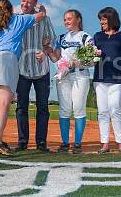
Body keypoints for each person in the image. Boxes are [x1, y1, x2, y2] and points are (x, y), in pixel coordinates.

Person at [0, 0, 47, 155]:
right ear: (10, 9)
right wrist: (41, 8)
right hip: (6, 60)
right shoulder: (18, 19)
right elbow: (41, 15)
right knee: (3, 105)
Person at [44, 10, 93, 154]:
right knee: (64, 109)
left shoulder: (85, 37)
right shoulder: (61, 38)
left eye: (69, 19)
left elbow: (92, 60)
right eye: (65, 19)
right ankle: (65, 143)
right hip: (63, 76)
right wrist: (47, 49)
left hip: (80, 75)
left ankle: (77, 144)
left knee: (78, 108)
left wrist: (77, 62)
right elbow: (55, 58)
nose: (66, 22)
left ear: (78, 19)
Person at [15, 0, 57, 152]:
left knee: (43, 108)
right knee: (21, 107)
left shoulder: (44, 19)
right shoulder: (16, 18)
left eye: (29, 3)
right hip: (22, 68)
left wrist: (46, 50)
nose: (25, 5)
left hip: (41, 69)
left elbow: (52, 38)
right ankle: (22, 142)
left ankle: (41, 143)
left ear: (35, 4)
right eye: (23, 1)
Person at [93, 7, 121, 154]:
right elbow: (91, 56)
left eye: (104, 19)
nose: (101, 22)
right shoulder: (97, 36)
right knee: (102, 112)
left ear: (112, 19)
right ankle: (104, 144)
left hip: (118, 80)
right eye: (100, 19)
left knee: (115, 109)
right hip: (100, 78)